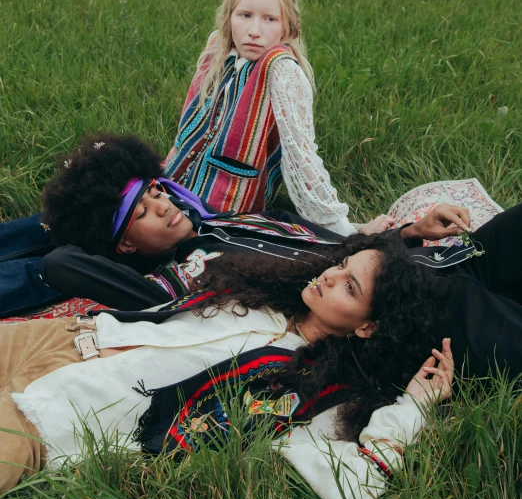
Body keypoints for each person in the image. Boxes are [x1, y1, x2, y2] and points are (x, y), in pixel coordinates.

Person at [0, 230, 454, 499]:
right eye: (340, 266)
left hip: (47, 418)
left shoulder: (313, 395)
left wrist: (413, 407)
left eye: (349, 286)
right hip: (61, 338)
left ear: (368, 326)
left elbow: (352, 487)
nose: (331, 276)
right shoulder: (268, 289)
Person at [40, 134, 522, 380]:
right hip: (420, 314)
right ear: (125, 244)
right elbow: (59, 263)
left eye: (155, 192)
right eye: (141, 213)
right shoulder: (181, 282)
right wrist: (100, 243)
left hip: (441, 261)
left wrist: (410, 231)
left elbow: (341, 253)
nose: (163, 205)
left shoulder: (245, 218)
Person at [163, 0, 393, 234]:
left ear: (288, 27)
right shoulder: (218, 49)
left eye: (270, 19)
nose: (254, 31)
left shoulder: (282, 71)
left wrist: (346, 234)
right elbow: (188, 136)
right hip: (170, 186)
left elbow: (303, 159)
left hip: (221, 214)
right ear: (228, 17)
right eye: (245, 15)